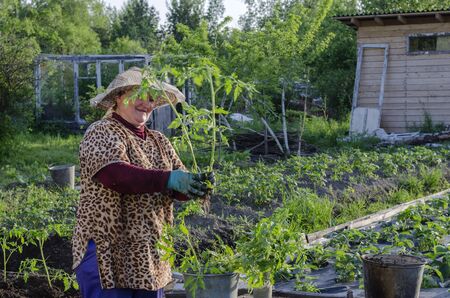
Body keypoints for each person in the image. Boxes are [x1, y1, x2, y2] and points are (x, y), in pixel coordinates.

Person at [72, 67, 214, 298]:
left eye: (151, 99)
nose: (146, 104)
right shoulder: (101, 131)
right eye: (139, 95)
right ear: (118, 98)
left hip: (150, 254)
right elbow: (117, 176)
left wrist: (194, 185)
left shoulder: (159, 140)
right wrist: (169, 179)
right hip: (109, 252)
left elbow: (177, 188)